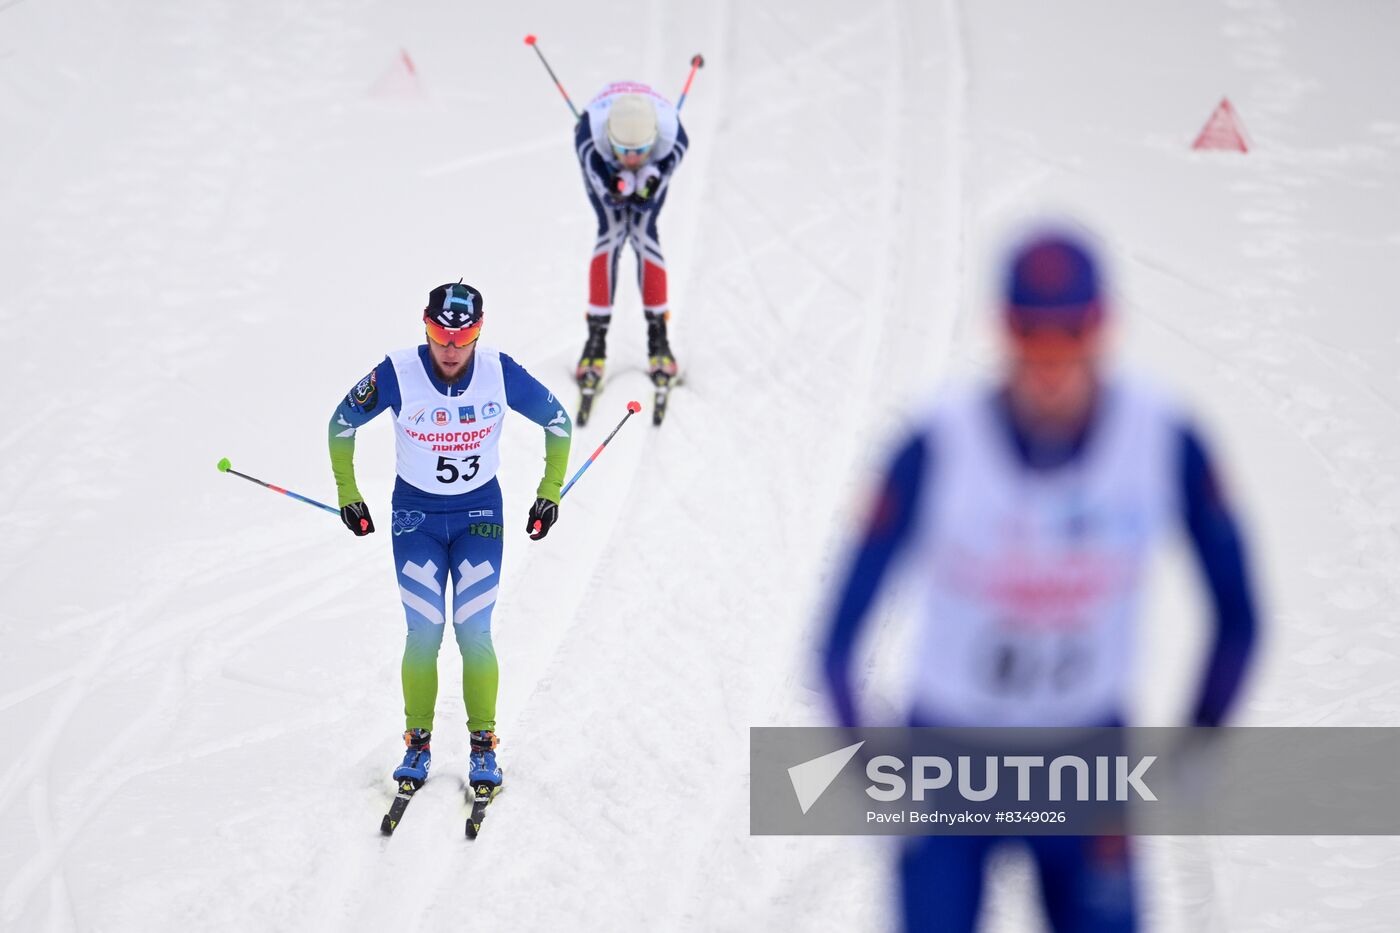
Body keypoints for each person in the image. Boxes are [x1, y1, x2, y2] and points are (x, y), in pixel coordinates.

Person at [820, 229, 1260, 932]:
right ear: (1005, 331)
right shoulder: (937, 445)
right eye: (1032, 340)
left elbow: (1240, 614)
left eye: (1071, 339)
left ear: (1102, 328)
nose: (1051, 365)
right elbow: (834, 642)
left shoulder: (1162, 441)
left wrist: (1202, 736)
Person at [328, 281, 572, 792]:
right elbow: (341, 424)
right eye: (441, 335)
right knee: (424, 632)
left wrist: (549, 493)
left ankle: (483, 747)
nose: (451, 349)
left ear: (479, 331)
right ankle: (417, 744)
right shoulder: (397, 372)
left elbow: (558, 422)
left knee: (473, 629)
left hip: (479, 515)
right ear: (426, 325)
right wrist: (349, 495)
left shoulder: (499, 372)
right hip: (415, 518)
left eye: (464, 337)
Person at [573, 81, 689, 395]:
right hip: (602, 157)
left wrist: (650, 186)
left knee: (642, 230)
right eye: (624, 151)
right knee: (611, 230)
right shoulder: (589, 138)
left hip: (649, 150)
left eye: (640, 152)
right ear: (611, 139)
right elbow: (605, 189)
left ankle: (658, 337)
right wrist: (615, 188)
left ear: (654, 141)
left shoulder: (673, 139)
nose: (633, 159)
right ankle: (595, 341)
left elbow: (656, 182)